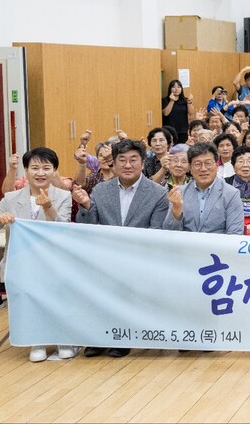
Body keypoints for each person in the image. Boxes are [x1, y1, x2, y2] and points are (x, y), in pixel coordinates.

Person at [72, 139, 169, 358]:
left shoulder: (157, 193)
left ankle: (123, 336)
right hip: (105, 256)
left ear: (142, 163)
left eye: (133, 160)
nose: (127, 165)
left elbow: (156, 232)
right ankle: (98, 337)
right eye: (122, 160)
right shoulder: (100, 190)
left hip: (140, 258)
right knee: (93, 281)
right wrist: (86, 206)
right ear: (113, 164)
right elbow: (88, 227)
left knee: (126, 282)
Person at [0, 147, 73, 362]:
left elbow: (64, 230)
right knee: (30, 286)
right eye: (34, 168)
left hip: (53, 264)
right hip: (19, 265)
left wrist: (49, 208)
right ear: (26, 170)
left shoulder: (63, 196)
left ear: (54, 171)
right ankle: (36, 339)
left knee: (58, 284)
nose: (40, 173)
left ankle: (63, 338)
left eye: (46, 168)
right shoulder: (11, 198)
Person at [163, 143, 244, 235]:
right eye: (197, 164)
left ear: (217, 166)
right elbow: (168, 234)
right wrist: (176, 212)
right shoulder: (179, 193)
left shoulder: (231, 194)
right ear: (190, 168)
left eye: (208, 163)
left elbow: (235, 233)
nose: (203, 169)